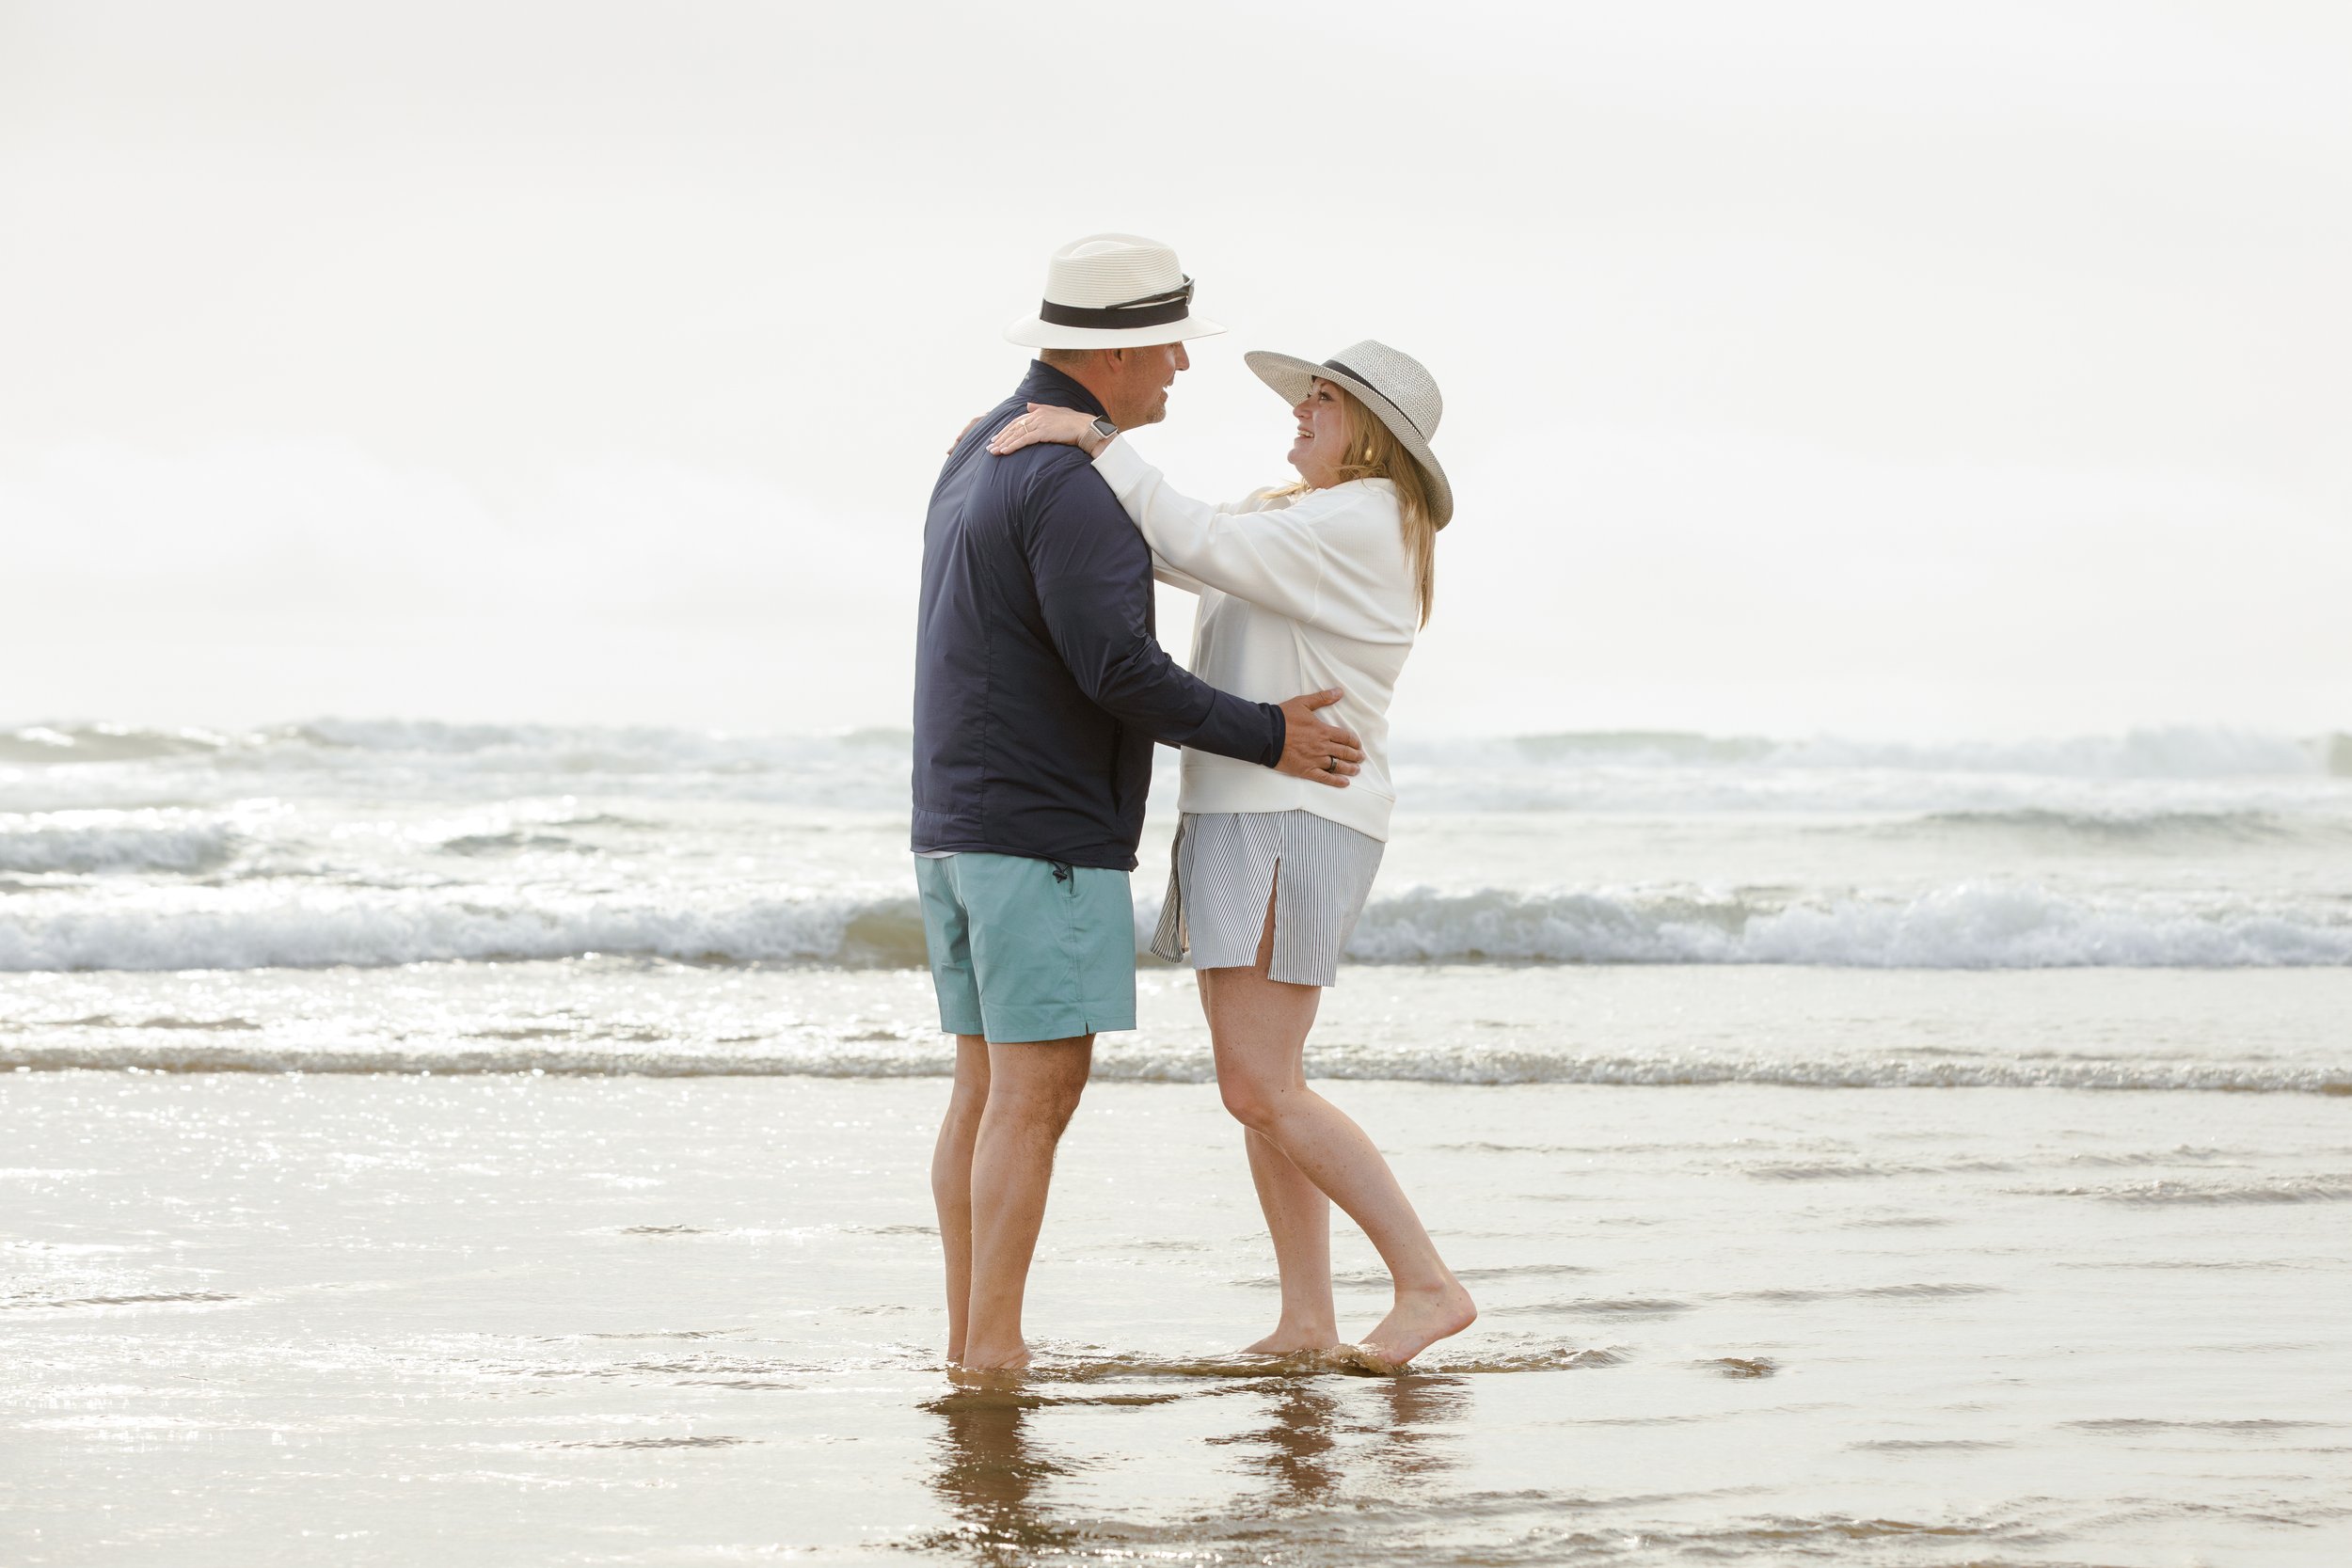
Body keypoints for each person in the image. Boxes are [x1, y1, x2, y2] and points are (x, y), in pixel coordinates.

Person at [914, 235, 1368, 1373]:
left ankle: (974, 1337)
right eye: (1166, 345)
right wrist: (1273, 731)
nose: (1178, 365)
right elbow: (1116, 669)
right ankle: (995, 1351)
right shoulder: (1069, 480)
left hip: (957, 820)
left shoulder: (978, 447)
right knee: (1034, 1089)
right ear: (1113, 357)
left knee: (984, 1087)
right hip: (1041, 828)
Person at [987, 339, 1475, 1369]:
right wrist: (1058, 457)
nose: (1299, 411)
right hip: (1249, 805)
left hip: (1290, 809)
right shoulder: (1297, 517)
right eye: (1306, 396)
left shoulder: (1364, 515)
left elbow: (1186, 532)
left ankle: (1427, 1283)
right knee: (1266, 1086)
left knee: (1259, 1087)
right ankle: (1308, 1316)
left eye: (1325, 402)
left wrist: (1090, 432)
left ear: (1373, 433)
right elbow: (1173, 544)